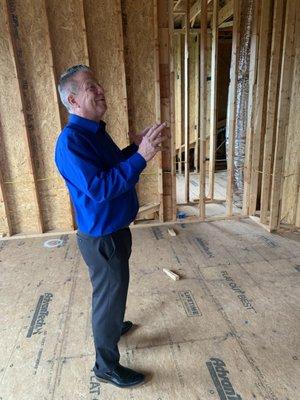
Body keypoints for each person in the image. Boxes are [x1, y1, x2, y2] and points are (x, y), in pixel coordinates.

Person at [54, 65, 169, 388]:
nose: (101, 89)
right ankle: (105, 366)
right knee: (108, 297)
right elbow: (101, 188)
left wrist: (136, 149)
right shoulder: (71, 142)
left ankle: (112, 322)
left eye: (99, 83)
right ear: (74, 100)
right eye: (92, 86)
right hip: (102, 238)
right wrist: (141, 157)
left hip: (115, 231)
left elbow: (112, 167)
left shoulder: (94, 131)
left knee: (113, 294)